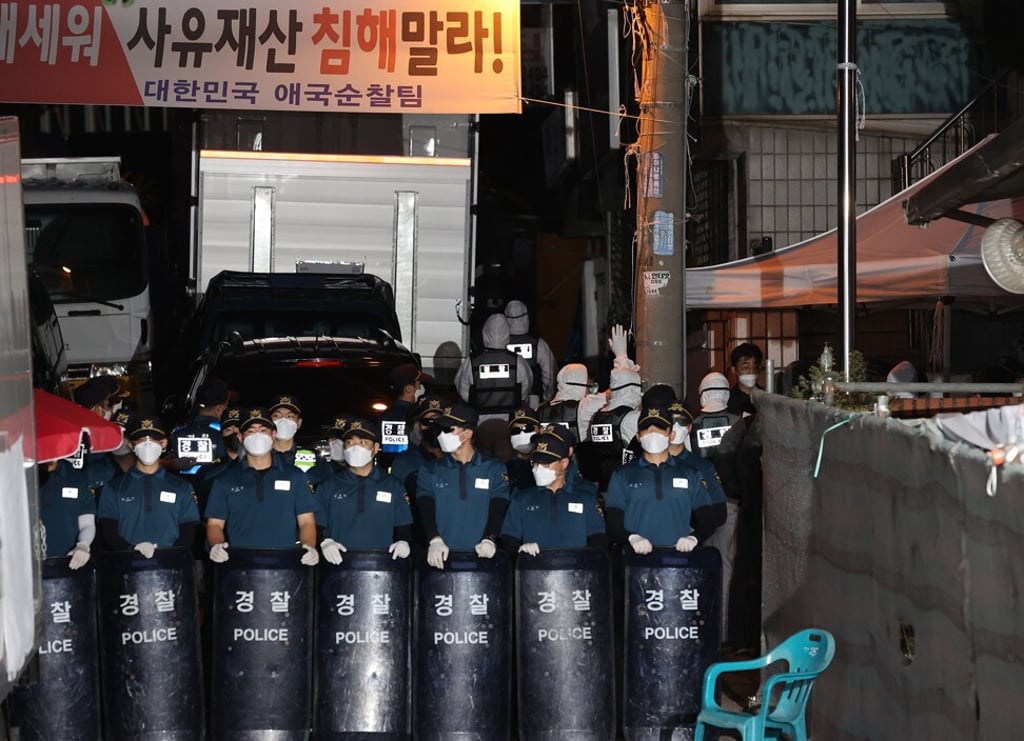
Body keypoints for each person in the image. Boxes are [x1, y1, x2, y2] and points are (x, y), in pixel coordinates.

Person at [205, 407, 319, 565]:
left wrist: (308, 547)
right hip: (239, 564)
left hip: (285, 564)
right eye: (251, 431)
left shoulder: (295, 476)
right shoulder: (225, 480)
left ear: (273, 435)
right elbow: (215, 524)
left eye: (263, 430)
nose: (257, 435)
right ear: (240, 436)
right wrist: (217, 545)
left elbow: (307, 522)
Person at [604, 405, 717, 554]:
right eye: (646, 428)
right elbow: (612, 522)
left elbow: (708, 518)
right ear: (638, 436)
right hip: (635, 562)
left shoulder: (690, 473)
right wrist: (631, 538)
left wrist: (695, 538)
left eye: (660, 428)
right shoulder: (622, 475)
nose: (653, 433)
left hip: (677, 561)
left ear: (671, 434)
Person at [415, 403, 511, 569]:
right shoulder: (429, 470)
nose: (442, 435)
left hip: (482, 560)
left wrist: (490, 538)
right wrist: (434, 539)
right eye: (440, 430)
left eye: (448, 430)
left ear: (467, 433)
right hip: (441, 561)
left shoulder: (494, 469)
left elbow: (499, 507)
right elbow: (425, 508)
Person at [97, 416, 200, 557]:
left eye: (152, 439)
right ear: (131, 445)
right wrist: (132, 550)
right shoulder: (114, 487)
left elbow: (188, 532)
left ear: (163, 443)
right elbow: (109, 532)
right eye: (141, 440)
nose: (147, 444)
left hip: (171, 567)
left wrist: (169, 557)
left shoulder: (182, 487)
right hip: (126, 566)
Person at [315, 418, 415, 563]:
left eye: (363, 442)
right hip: (337, 566)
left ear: (375, 448)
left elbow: (403, 527)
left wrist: (404, 543)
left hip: (381, 566)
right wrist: (324, 542)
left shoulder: (393, 485)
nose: (355, 448)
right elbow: (316, 526)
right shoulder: (328, 485)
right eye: (350, 443)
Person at [500, 431, 606, 554]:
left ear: (564, 463)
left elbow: (598, 538)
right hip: (533, 570)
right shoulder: (521, 499)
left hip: (576, 570)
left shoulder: (586, 499)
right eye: (535, 463)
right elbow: (509, 539)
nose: (539, 468)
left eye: (546, 463)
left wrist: (585, 561)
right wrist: (520, 551)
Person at [455, 313, 533, 421]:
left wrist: (475, 401)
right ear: (507, 333)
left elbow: (461, 386)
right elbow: (526, 386)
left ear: (485, 333)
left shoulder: (472, 361)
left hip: (479, 419)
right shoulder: (518, 361)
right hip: (509, 419)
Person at [38, 456, 96, 568]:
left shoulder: (76, 477)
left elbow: (87, 523)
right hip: (27, 565)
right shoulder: (21, 478)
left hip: (67, 562)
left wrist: (83, 545)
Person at [170, 378, 230, 476]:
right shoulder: (225, 432)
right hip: (215, 486)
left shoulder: (177, 431)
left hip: (184, 486)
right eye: (226, 406)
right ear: (219, 409)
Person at [389, 395, 445, 500]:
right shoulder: (404, 462)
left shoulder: (460, 459)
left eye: (440, 421)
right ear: (418, 426)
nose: (434, 426)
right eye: (427, 421)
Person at [503, 299, 556, 406]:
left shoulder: (500, 345)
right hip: (532, 400)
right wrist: (547, 397)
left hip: (505, 398)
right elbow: (550, 373)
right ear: (526, 317)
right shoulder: (538, 344)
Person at [380, 362, 433, 456]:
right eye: (418, 384)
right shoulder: (418, 414)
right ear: (408, 389)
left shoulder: (385, 416)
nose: (421, 387)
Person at [537, 363, 591, 441]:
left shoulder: (540, 409)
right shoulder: (585, 408)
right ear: (581, 385)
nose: (589, 391)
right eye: (588, 386)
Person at [690, 372, 739, 458]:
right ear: (727, 395)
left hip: (702, 469)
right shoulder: (741, 419)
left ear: (703, 395)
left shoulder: (691, 423)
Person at [268, 394, 317, 473]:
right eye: (277, 415)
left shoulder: (313, 458)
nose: (283, 420)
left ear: (299, 423)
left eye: (290, 416)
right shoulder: (258, 458)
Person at [306, 416, 351, 490]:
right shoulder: (321, 470)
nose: (333, 442)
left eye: (340, 438)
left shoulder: (364, 472)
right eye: (332, 437)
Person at [505, 406, 541, 491]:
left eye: (528, 429)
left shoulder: (551, 465)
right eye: (516, 431)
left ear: (540, 430)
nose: (522, 434)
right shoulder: (504, 469)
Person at [727, 343, 763, 416]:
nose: (751, 371)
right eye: (746, 367)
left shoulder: (766, 396)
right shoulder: (728, 400)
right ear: (734, 370)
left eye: (755, 367)